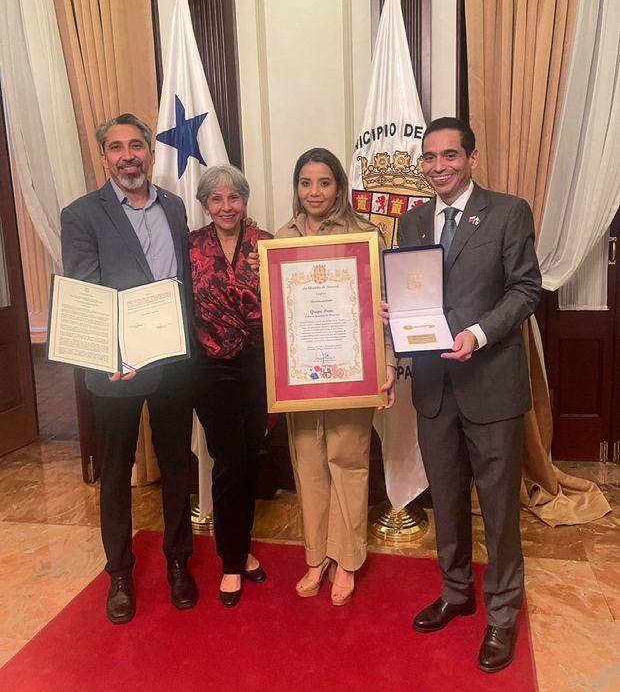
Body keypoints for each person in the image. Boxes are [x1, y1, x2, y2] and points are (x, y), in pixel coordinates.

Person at [393, 117, 541, 673]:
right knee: (447, 499)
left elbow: (526, 287)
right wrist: (395, 318)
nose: (438, 167)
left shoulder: (508, 212)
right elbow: (409, 294)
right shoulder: (410, 224)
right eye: (429, 158)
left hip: (491, 384)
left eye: (449, 156)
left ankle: (503, 611)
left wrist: (477, 333)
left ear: (472, 159)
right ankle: (457, 592)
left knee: (499, 507)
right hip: (433, 389)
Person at [60, 113, 198, 624]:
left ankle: (179, 563)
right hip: (115, 369)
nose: (128, 156)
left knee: (176, 464)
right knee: (116, 472)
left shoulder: (176, 207)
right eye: (116, 148)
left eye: (136, 145)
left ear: (151, 152)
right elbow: (86, 292)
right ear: (103, 158)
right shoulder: (80, 215)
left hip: (174, 362)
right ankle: (119, 572)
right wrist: (107, 353)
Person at [275, 148, 396, 606]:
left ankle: (346, 560)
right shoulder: (281, 239)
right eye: (306, 183)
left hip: (351, 371)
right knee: (308, 464)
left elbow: (380, 310)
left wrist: (385, 363)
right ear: (297, 188)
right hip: (300, 375)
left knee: (348, 461)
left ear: (339, 187)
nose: (314, 192)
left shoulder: (364, 235)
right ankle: (316, 556)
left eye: (324, 183)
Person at [190, 165, 271, 607]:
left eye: (234, 198)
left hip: (259, 366)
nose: (226, 207)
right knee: (228, 462)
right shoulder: (191, 246)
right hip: (210, 369)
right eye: (217, 199)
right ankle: (230, 561)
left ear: (245, 201)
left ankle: (243, 545)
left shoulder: (267, 244)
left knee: (252, 456)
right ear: (206, 204)